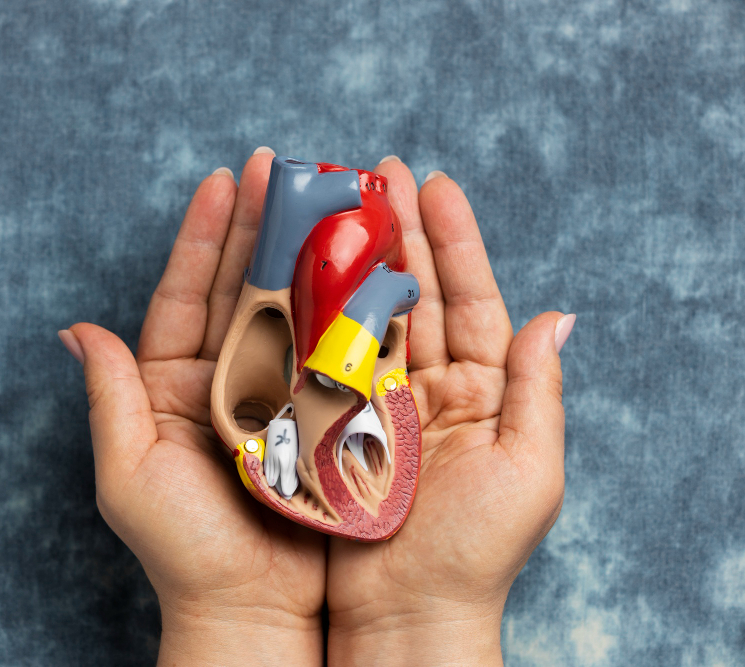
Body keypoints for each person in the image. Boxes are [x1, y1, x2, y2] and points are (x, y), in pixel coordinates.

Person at [57, 147, 576, 666]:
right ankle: (301, 205)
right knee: (312, 330)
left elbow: (354, 336)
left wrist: (228, 618)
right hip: (330, 350)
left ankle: (299, 202)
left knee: (309, 317)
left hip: (332, 342)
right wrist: (432, 618)